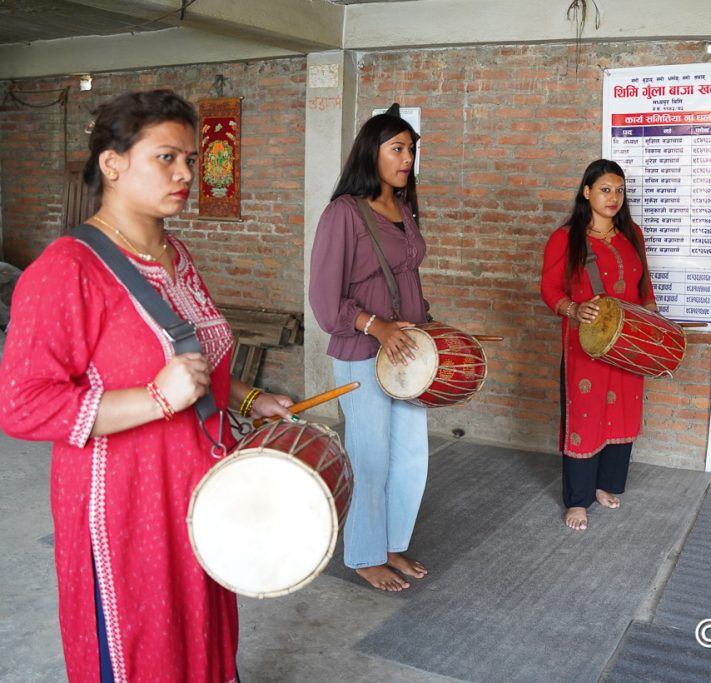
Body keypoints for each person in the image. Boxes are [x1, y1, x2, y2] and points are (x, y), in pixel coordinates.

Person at [0, 89, 293, 682]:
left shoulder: (175, 254)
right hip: (126, 503)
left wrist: (247, 396)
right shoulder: (67, 269)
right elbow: (21, 406)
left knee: (202, 632)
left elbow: (192, 357)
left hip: (197, 484)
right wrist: (156, 399)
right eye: (167, 157)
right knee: (144, 644)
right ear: (113, 164)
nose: (186, 173)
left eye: (189, 158)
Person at [309, 106, 431, 592]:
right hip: (362, 353)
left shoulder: (403, 209)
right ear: (371, 153)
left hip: (408, 355)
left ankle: (391, 543)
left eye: (411, 149)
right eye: (397, 149)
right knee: (371, 456)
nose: (407, 158)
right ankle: (363, 554)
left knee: (411, 457)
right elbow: (323, 301)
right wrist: (375, 325)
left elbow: (406, 278)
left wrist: (426, 327)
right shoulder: (344, 213)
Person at [540, 159, 658, 531]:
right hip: (586, 344)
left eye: (620, 190)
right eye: (605, 189)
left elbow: (645, 288)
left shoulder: (631, 234)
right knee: (587, 415)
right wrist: (573, 309)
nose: (614, 197)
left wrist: (651, 323)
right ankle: (578, 498)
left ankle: (606, 484)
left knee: (622, 410)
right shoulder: (566, 238)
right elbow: (549, 289)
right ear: (587, 192)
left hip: (629, 342)